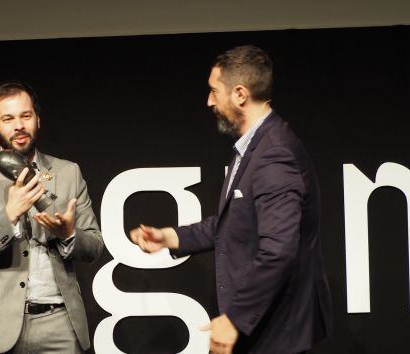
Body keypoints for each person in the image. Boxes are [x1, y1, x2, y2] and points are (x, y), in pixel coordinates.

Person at [130, 45, 332, 354]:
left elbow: (279, 251)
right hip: (264, 326)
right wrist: (168, 237)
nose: (209, 100)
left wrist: (234, 318)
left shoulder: (274, 155)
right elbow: (232, 224)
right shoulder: (253, 147)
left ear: (240, 94)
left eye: (214, 91)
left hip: (276, 331)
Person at [0, 82, 103, 353]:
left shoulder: (67, 172)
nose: (18, 125)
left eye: (26, 116)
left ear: (37, 119)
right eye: (8, 119)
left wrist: (69, 234)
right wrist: (9, 215)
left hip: (59, 324)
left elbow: (94, 246)